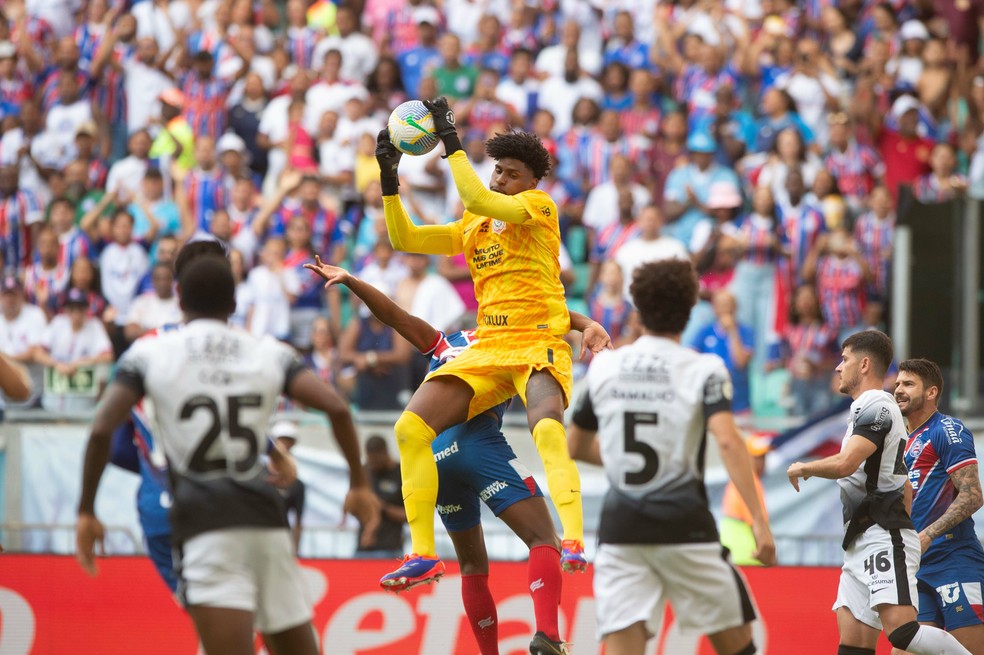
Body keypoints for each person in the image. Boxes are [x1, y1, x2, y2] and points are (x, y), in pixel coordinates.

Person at [305, 256, 612, 654]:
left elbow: (394, 316)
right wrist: (587, 323)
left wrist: (352, 281)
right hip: (477, 446)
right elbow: (547, 313)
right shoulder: (508, 341)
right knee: (543, 539)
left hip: (434, 457)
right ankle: (548, 635)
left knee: (472, 566)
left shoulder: (443, 343)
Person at [75, 255, 379, 655]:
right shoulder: (268, 350)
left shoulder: (149, 354)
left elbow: (101, 428)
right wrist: (358, 484)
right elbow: (338, 409)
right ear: (234, 304)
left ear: (180, 300)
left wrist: (86, 510)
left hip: (205, 525)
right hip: (266, 522)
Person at [375, 96, 587, 589]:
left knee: (548, 432)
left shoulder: (538, 207)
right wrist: (390, 180)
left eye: (512, 173)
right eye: (498, 171)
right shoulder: (474, 223)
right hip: (489, 345)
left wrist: (450, 140)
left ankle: (574, 539)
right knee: (409, 430)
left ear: (532, 183)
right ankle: (424, 554)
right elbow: (405, 239)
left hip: (538, 340)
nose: (500, 179)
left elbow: (477, 199)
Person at [567, 259, 776, 655]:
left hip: (621, 527)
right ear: (690, 306)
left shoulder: (607, 367)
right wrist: (761, 525)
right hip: (686, 527)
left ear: (638, 306)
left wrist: (622, 462)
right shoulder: (705, 369)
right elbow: (730, 444)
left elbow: (574, 446)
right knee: (738, 648)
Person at [787, 331, 971, 655]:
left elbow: (847, 463)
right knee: (852, 644)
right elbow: (906, 484)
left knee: (903, 633)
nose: (837, 368)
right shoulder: (865, 409)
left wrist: (806, 467)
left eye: (844, 360)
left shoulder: (878, 405)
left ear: (865, 363)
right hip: (860, 539)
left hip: (883, 536)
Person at [894, 359, 984, 654]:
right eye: (897, 384)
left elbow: (972, 495)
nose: (898, 390)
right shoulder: (896, 439)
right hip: (915, 566)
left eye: (908, 384)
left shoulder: (947, 429)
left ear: (931, 392)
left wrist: (928, 534)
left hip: (953, 560)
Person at [356, 435, 407, 558]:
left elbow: (408, 516)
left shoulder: (402, 473)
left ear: (385, 453)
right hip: (363, 548)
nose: (373, 465)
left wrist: (382, 507)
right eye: (370, 461)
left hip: (391, 549)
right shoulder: (364, 471)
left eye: (375, 461)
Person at [271, 420, 306, 556]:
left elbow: (298, 519)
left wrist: (295, 550)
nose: (285, 444)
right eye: (281, 439)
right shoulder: (259, 476)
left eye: (288, 440)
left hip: (283, 541)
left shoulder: (297, 485)